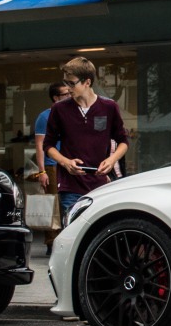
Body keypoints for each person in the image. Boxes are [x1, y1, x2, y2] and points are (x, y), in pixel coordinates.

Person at [43, 56, 129, 228]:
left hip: (100, 185)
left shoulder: (109, 107)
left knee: (100, 232)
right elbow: (48, 145)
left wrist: (111, 161)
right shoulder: (59, 109)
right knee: (73, 234)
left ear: (87, 82)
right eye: (65, 82)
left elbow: (123, 141)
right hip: (70, 186)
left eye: (72, 83)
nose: (68, 88)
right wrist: (65, 162)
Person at [32, 81, 71, 254]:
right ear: (56, 98)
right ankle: (51, 242)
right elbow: (40, 146)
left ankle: (68, 238)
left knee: (69, 202)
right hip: (52, 165)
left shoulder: (71, 113)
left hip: (69, 164)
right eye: (65, 94)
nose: (69, 96)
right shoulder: (45, 117)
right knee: (53, 204)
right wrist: (41, 171)